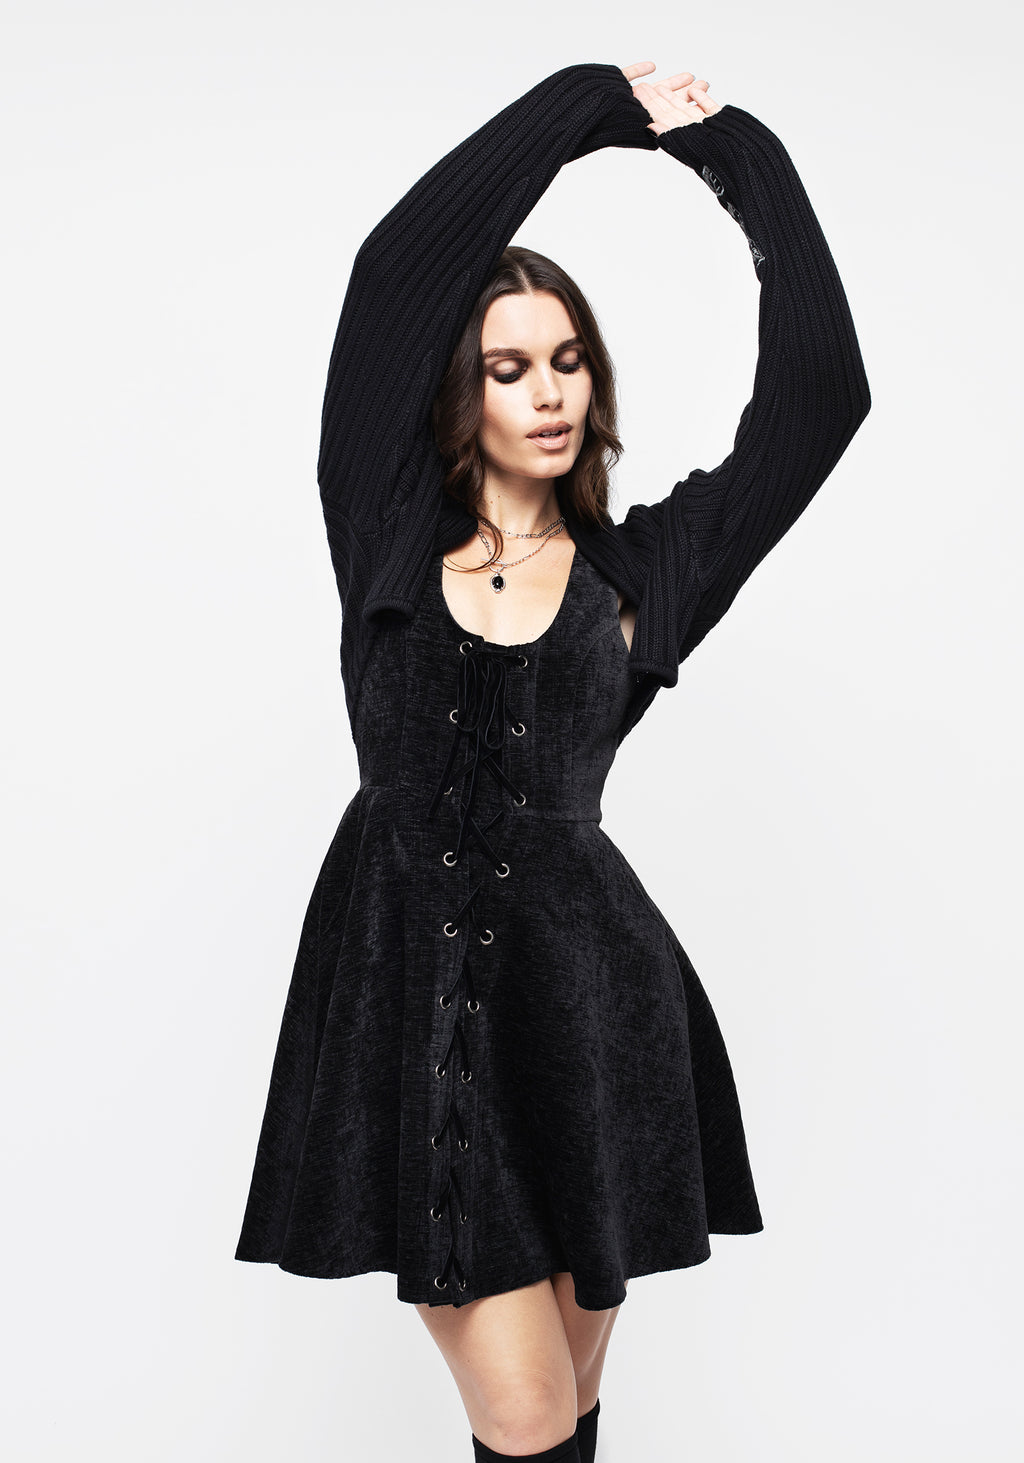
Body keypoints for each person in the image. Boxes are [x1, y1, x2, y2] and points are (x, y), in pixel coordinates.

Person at [234, 59, 871, 1463]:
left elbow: (823, 395)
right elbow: (396, 267)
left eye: (569, 360)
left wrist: (732, 155)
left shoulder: (645, 575)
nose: (548, 393)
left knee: (567, 1408)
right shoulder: (385, 531)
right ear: (455, 388)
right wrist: (590, 108)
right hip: (407, 999)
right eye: (508, 366)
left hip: (593, 1016)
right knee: (522, 1407)